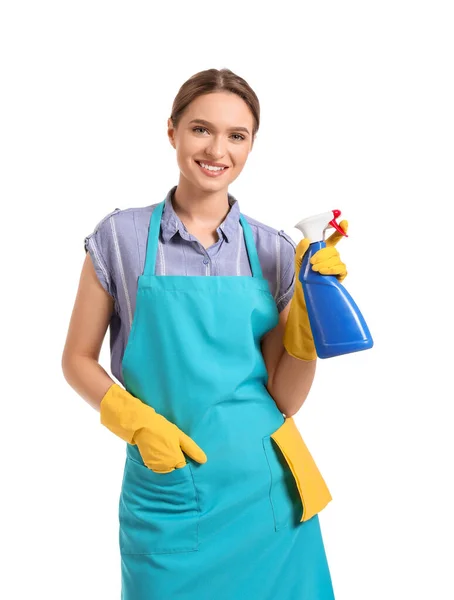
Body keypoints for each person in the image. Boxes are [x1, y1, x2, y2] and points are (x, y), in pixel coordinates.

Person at [61, 68, 348, 600]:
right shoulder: (119, 239)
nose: (218, 149)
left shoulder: (274, 251)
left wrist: (311, 320)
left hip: (267, 496)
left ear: (252, 145)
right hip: (170, 493)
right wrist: (135, 422)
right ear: (172, 131)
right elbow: (77, 359)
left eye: (237, 135)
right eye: (201, 129)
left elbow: (284, 398)